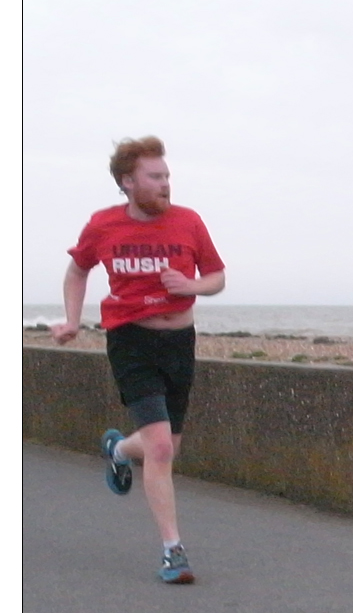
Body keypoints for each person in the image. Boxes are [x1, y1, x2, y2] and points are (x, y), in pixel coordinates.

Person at [50, 136, 226, 584]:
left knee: (165, 448)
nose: (166, 184)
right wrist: (72, 320)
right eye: (155, 176)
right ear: (128, 182)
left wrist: (191, 287)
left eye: (167, 175)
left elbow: (217, 277)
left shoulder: (189, 222)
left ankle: (118, 449)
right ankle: (173, 551)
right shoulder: (104, 225)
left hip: (179, 342)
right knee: (162, 447)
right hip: (130, 340)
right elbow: (77, 269)